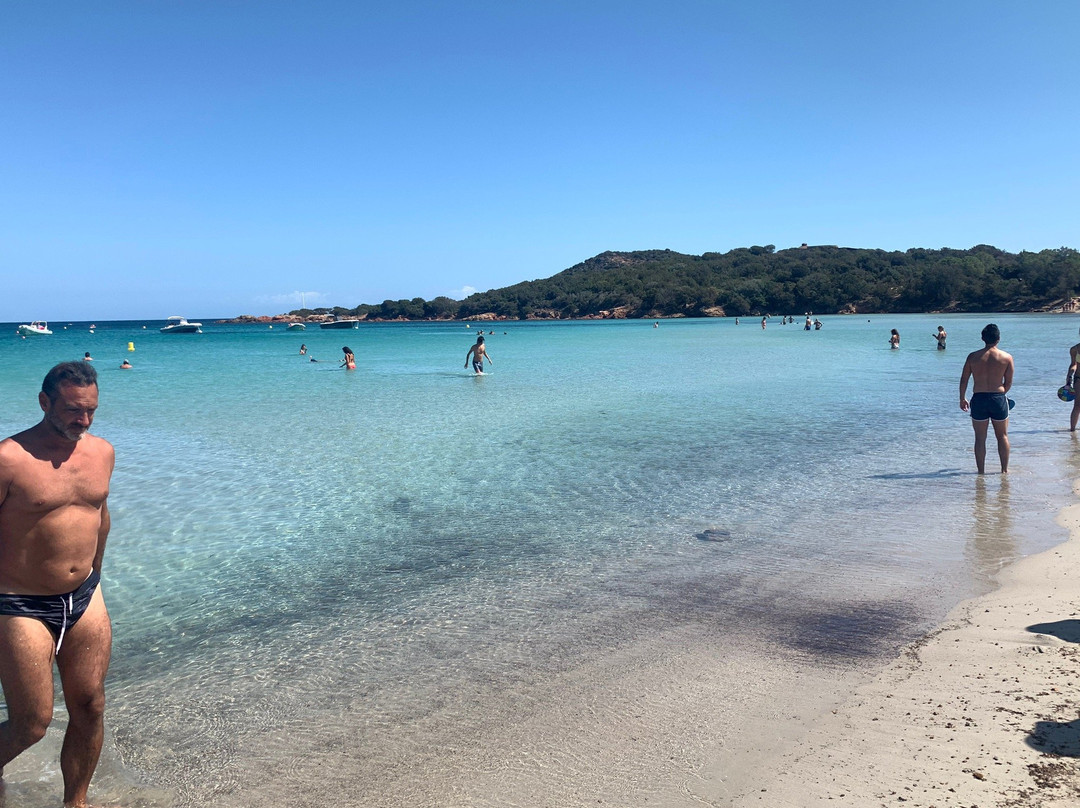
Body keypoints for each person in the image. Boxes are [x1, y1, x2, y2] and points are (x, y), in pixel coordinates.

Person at [0, 362, 115, 807]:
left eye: (90, 411)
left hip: (85, 596)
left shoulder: (102, 452)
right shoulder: (9, 459)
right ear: (45, 401)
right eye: (71, 410)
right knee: (32, 722)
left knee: (90, 707)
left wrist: (96, 575)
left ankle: (76, 802)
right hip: (19, 603)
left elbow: (99, 518)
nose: (82, 421)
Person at [960, 323, 1014, 474]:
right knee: (1002, 436)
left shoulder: (973, 357)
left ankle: (981, 472)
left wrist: (962, 398)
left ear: (982, 338)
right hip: (998, 398)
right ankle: (1004, 470)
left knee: (980, 438)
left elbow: (964, 379)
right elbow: (1008, 383)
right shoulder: (1007, 357)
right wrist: (1001, 394)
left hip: (979, 398)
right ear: (998, 338)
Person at [1066, 328, 1080, 431]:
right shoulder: (1075, 349)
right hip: (1078, 378)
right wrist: (1069, 377)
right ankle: (1072, 432)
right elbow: (1073, 365)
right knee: (1077, 404)